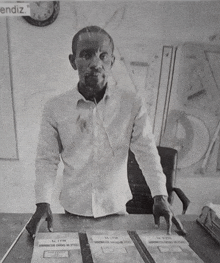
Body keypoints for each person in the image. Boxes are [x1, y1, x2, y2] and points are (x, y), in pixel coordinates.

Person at [26, 25, 186, 238]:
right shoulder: (55, 107)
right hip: (74, 208)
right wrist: (42, 202)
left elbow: (147, 152)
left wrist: (160, 196)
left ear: (112, 61)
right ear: (73, 61)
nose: (95, 63)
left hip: (116, 207)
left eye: (103, 55)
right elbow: (47, 160)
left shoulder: (132, 104)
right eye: (86, 55)